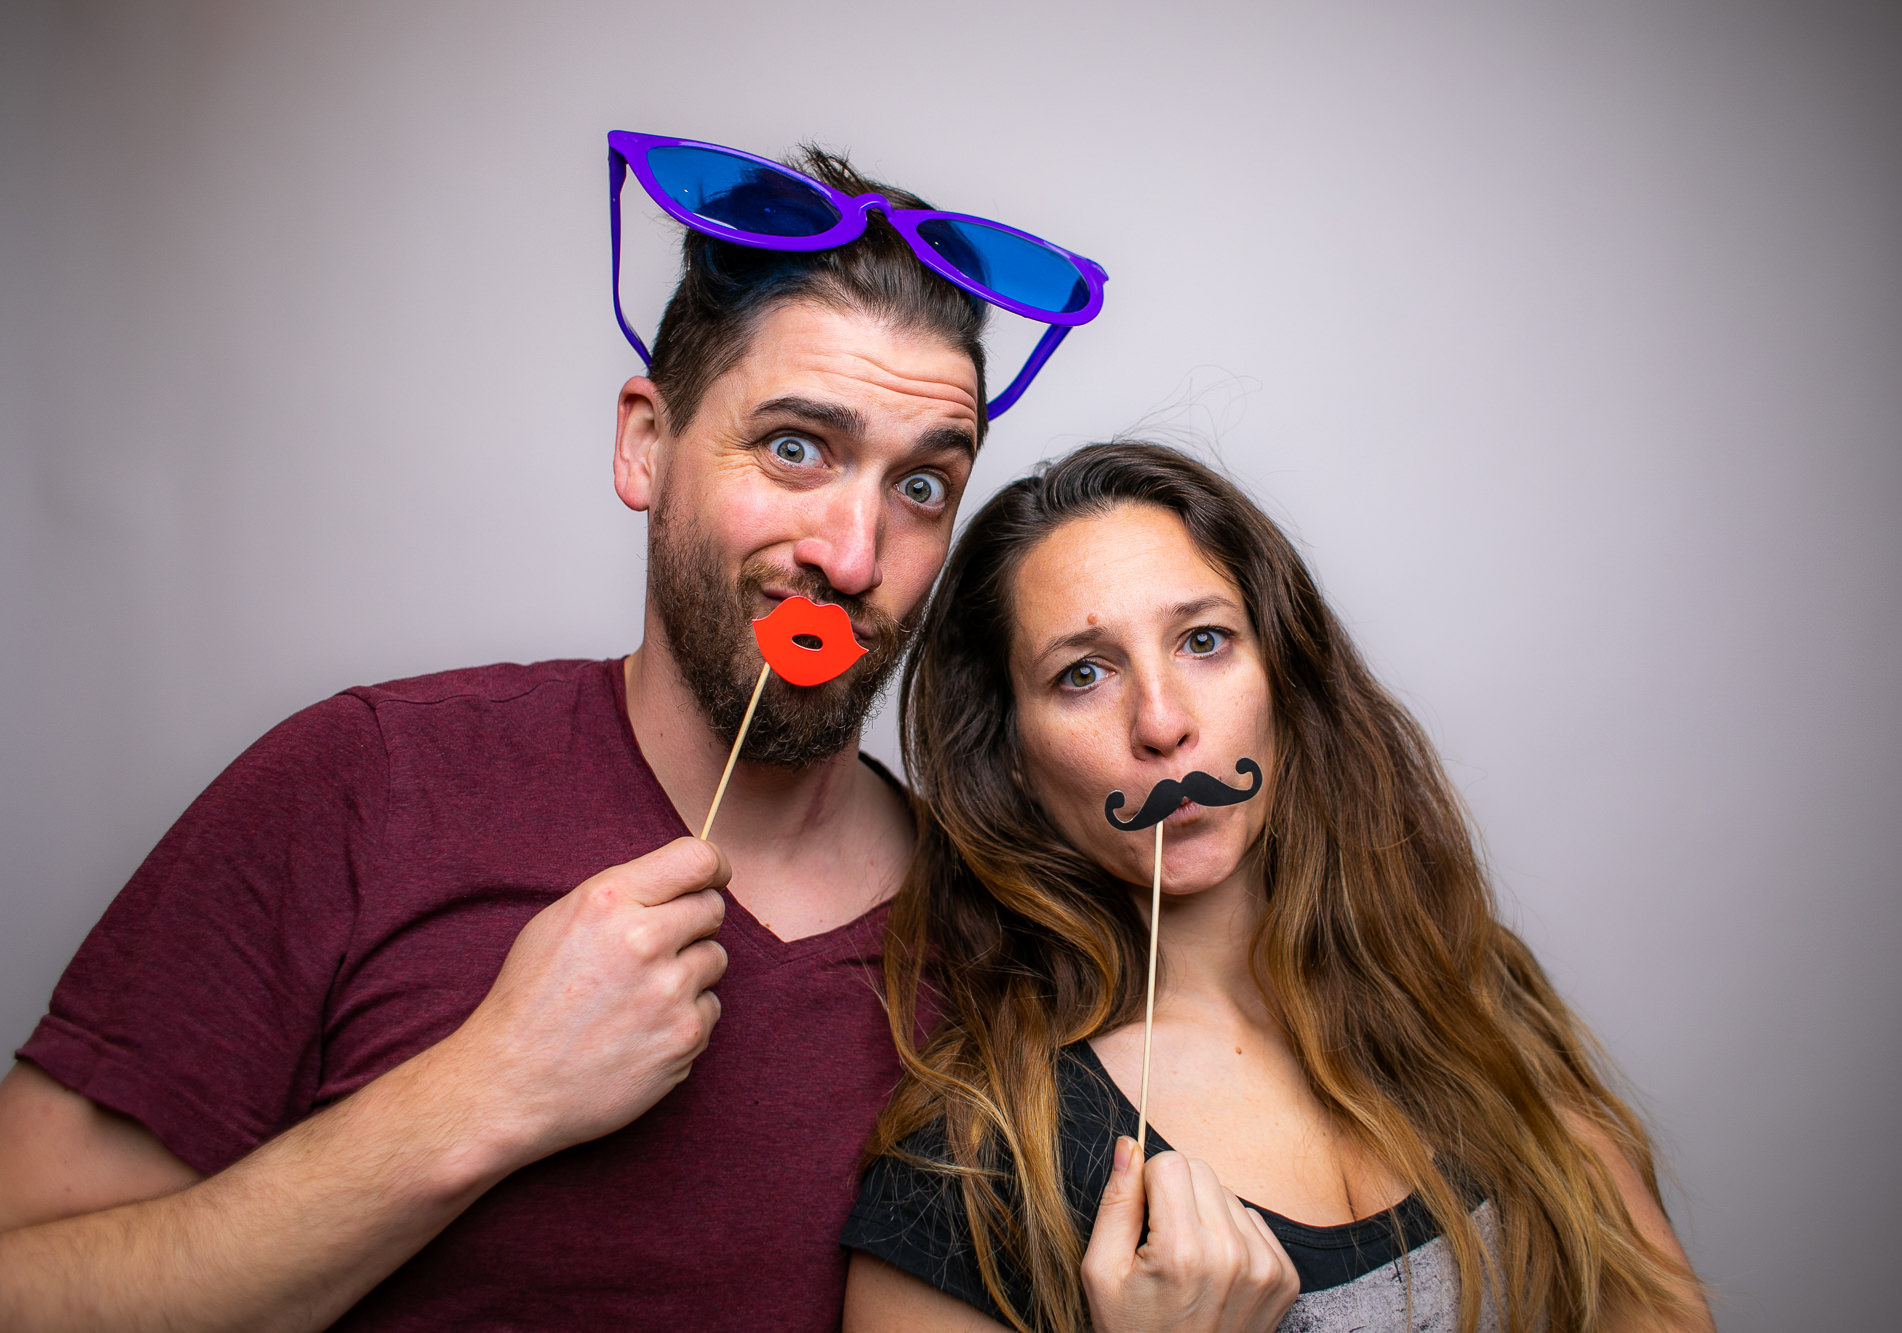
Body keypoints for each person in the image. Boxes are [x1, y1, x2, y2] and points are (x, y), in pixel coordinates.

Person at [0, 139, 1100, 1330]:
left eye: (921, 485)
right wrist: (485, 1092)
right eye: (796, 448)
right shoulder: (367, 784)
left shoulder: (1004, 941)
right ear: (644, 443)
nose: (850, 552)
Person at [841, 442, 1716, 1333]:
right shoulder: (969, 1166)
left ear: (1283, 680)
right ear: (1012, 757)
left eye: (1205, 641)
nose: (1162, 722)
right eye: (1083, 673)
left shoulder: (1469, 991)